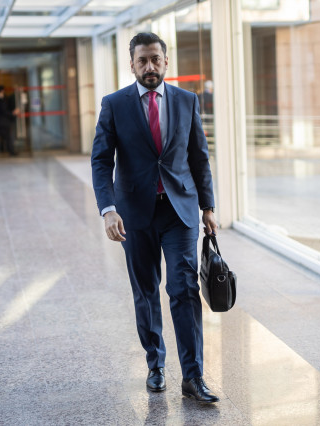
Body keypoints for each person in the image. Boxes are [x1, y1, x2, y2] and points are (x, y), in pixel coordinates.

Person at [91, 32, 219, 404]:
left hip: (179, 211)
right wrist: (108, 208)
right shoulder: (114, 105)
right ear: (131, 64)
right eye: (142, 60)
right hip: (134, 214)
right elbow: (101, 161)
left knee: (184, 290)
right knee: (146, 291)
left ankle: (193, 376)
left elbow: (199, 157)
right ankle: (156, 365)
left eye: (156, 59)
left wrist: (207, 207)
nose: (150, 66)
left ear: (167, 61)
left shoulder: (186, 101)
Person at [0, 85, 19, 157]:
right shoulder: (2, 100)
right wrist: (13, 113)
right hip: (3, 123)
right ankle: (11, 152)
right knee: (8, 138)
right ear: (1, 91)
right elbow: (4, 111)